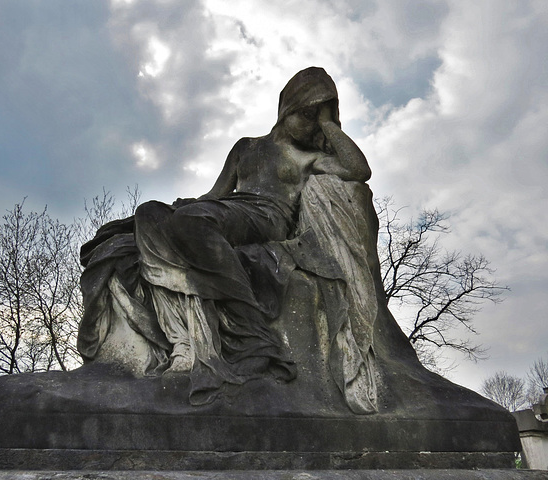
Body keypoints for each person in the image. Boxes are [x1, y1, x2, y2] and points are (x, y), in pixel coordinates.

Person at [77, 67, 373, 406]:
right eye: (306, 114)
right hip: (230, 209)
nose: (311, 125)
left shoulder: (311, 157)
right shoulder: (247, 147)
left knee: (190, 221)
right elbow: (215, 194)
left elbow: (358, 169)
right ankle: (182, 337)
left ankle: (251, 328)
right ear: (286, 111)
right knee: (149, 213)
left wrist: (328, 125)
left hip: (267, 218)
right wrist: (175, 210)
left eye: (319, 116)